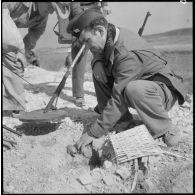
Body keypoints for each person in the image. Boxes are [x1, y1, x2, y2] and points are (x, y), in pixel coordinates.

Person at [67, 9, 187, 153]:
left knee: (133, 89)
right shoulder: (109, 33)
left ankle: (165, 128)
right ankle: (122, 122)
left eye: (87, 40)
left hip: (161, 91)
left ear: (99, 31)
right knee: (100, 72)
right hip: (143, 85)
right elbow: (102, 50)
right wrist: (97, 62)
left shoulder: (126, 53)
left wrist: (93, 132)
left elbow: (118, 98)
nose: (86, 46)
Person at [2, 2, 69, 117]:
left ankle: (14, 105)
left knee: (16, 59)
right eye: (51, 7)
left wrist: (23, 52)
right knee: (12, 44)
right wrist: (18, 47)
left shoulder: (42, 18)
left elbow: (34, 34)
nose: (52, 12)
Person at [65, 2, 111, 107]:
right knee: (78, 53)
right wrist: (82, 19)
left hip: (94, 10)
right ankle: (79, 94)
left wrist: (104, 4)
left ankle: (107, 90)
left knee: (100, 51)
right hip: (78, 14)